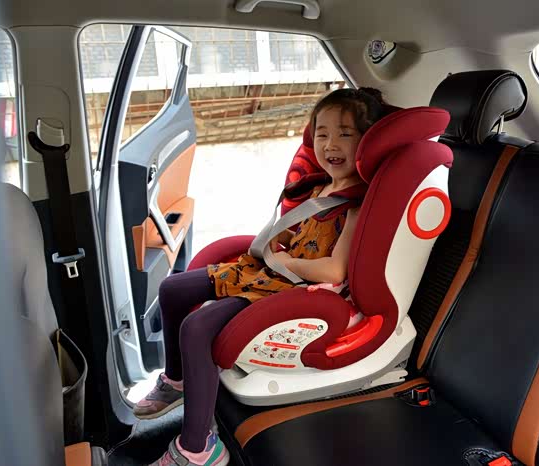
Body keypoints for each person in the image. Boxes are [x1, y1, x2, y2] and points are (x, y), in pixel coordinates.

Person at [138, 87, 388, 466]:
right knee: (172, 288)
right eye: (322, 134)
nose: (330, 144)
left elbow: (334, 269)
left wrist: (287, 262)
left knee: (197, 327)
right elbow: (295, 234)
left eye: (345, 134)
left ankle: (199, 448)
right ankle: (178, 379)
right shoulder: (319, 187)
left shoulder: (357, 203)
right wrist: (275, 243)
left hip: (294, 288)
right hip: (268, 272)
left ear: (367, 143)